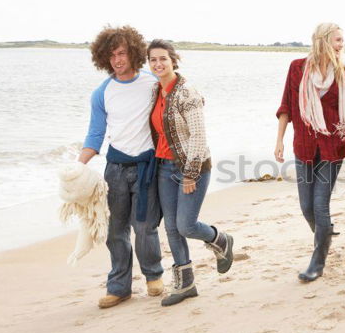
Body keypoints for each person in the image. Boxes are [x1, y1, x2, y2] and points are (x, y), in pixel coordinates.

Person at [80, 25, 164, 308]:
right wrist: (78, 166)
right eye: (112, 55)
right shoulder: (102, 93)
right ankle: (119, 287)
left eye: (122, 53)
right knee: (115, 231)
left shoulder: (152, 82)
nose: (117, 60)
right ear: (104, 58)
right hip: (115, 169)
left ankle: (153, 276)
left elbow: (178, 100)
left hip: (146, 168)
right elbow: (95, 135)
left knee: (145, 228)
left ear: (134, 54)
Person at [147, 39, 235, 306]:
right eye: (153, 60)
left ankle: (220, 239)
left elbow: (198, 136)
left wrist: (190, 173)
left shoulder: (188, 93)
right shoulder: (155, 91)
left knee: (186, 225)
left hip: (190, 167)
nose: (158, 64)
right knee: (172, 228)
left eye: (163, 58)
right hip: (163, 167)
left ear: (174, 60)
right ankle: (186, 284)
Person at [275, 23, 345, 282]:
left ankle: (317, 260)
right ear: (322, 40)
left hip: (333, 147)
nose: (341, 44)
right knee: (306, 207)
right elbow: (286, 106)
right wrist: (279, 141)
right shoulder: (297, 68)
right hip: (304, 146)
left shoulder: (343, 73)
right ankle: (324, 236)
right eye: (337, 40)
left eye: (342, 40)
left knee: (320, 205)